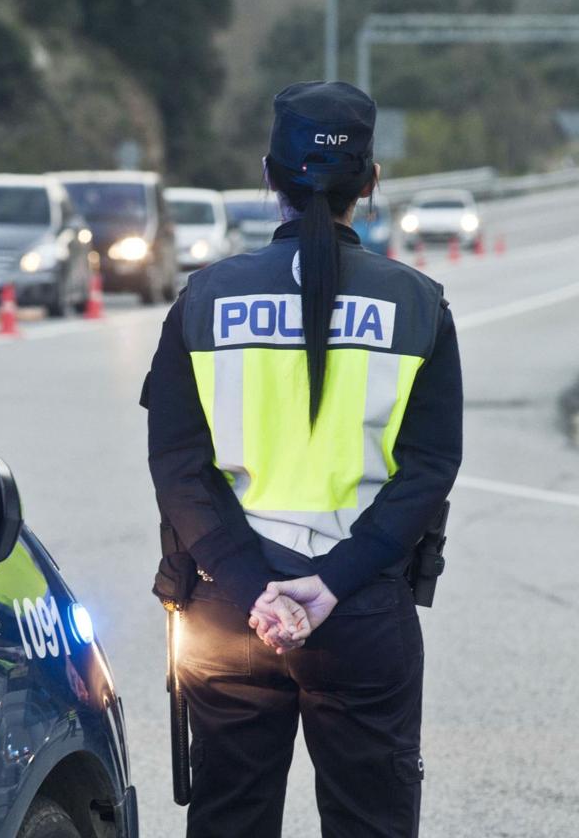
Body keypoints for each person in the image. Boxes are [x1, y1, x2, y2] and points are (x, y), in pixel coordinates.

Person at [146, 81, 462, 838]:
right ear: (372, 182)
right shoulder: (418, 304)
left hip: (227, 609)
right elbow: (430, 467)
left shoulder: (203, 299)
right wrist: (329, 585)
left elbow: (178, 467)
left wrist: (259, 589)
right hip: (361, 610)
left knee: (229, 820)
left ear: (268, 178)